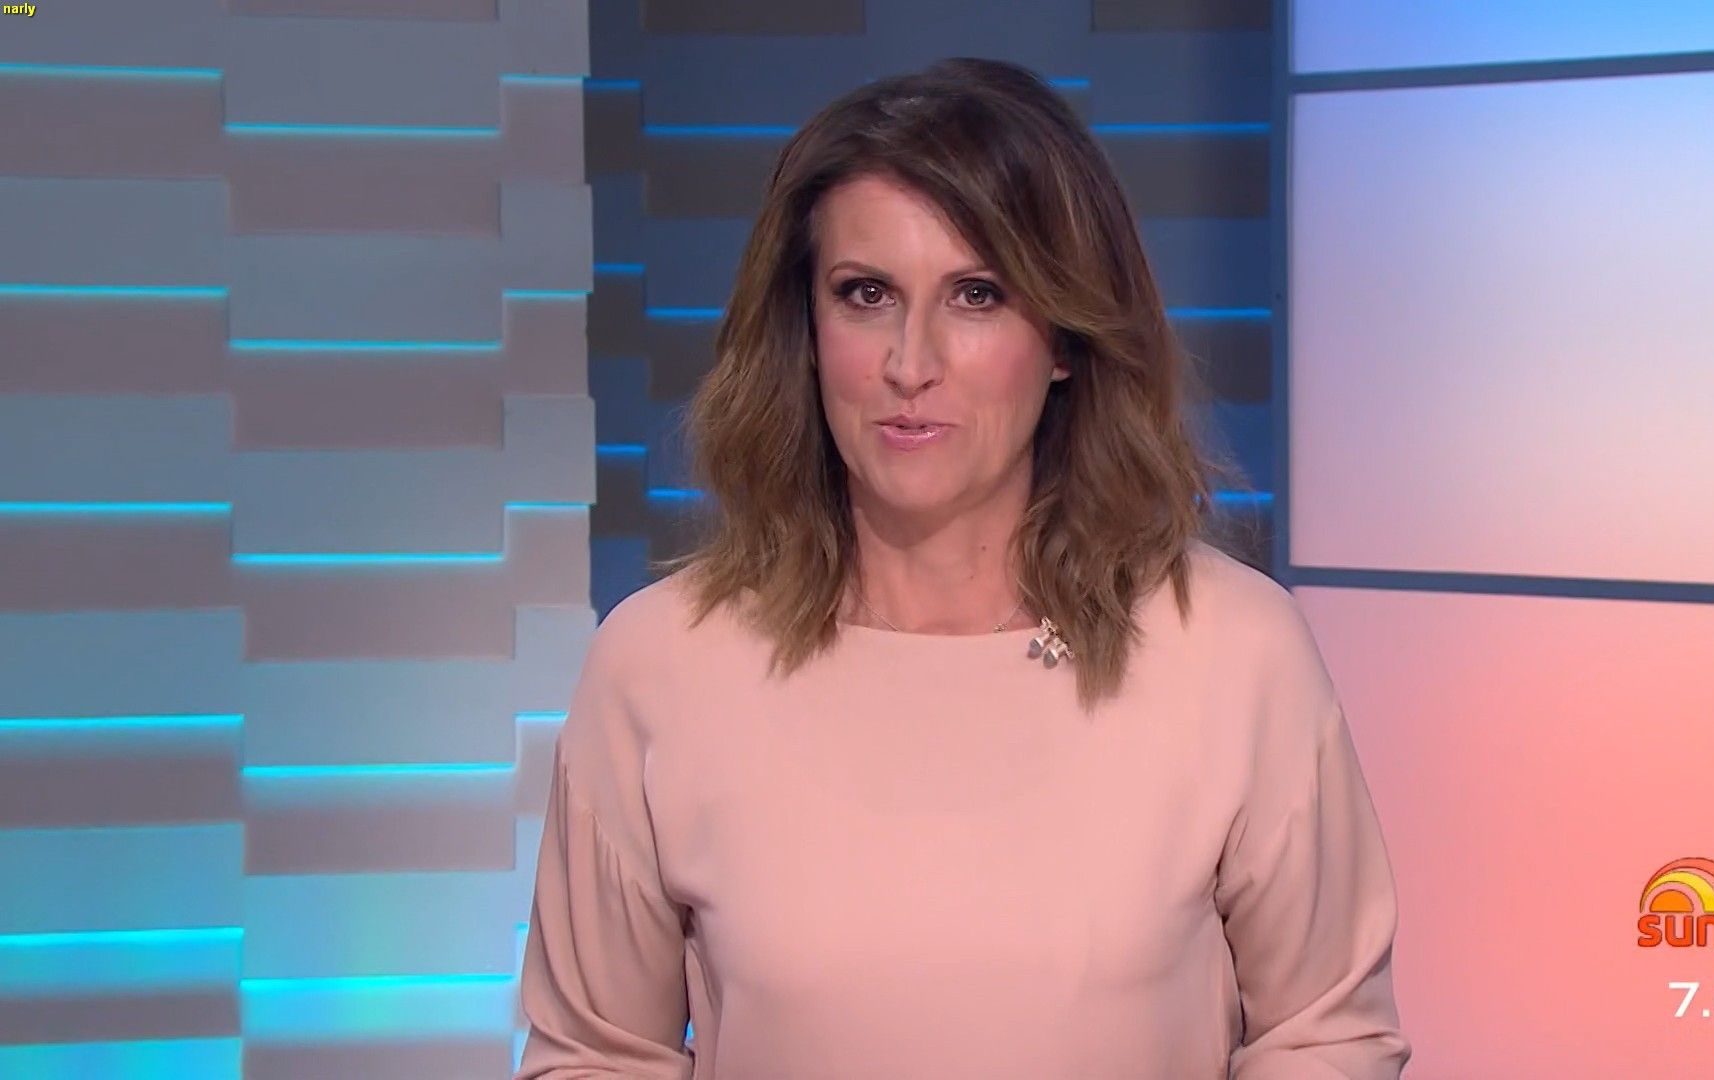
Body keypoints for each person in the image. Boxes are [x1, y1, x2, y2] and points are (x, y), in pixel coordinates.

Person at [514, 56, 1410, 1079]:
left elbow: (1329, 1036)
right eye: (866, 295)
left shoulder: (1233, 650)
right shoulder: (662, 662)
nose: (911, 363)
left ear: (1065, 337)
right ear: (806, 330)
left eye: (977, 295)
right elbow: (594, 1058)